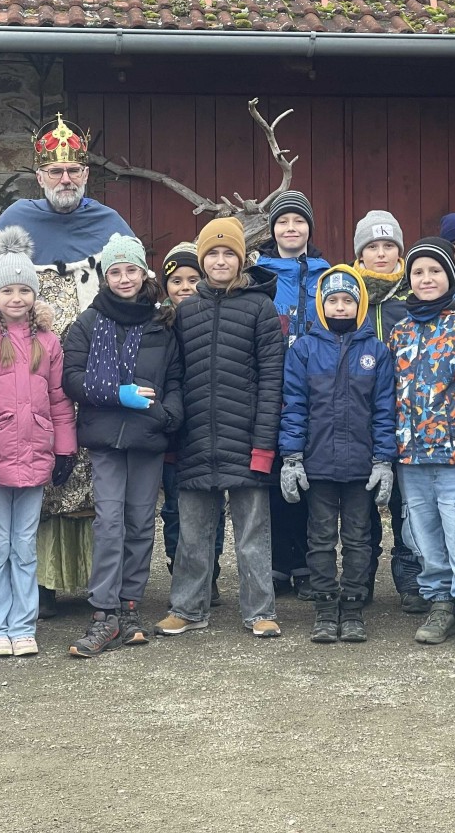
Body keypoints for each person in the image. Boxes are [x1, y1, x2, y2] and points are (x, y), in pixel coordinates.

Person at [0, 114, 134, 616]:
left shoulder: (110, 225)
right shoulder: (15, 222)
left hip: (92, 378)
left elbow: (131, 294)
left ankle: (91, 581)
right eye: (56, 171)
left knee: (87, 476)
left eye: (74, 170)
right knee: (35, 479)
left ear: (86, 174)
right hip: (25, 379)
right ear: (39, 175)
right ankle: (38, 586)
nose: (66, 178)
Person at [154, 217, 285, 639]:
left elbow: (272, 381)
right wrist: (175, 436)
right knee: (192, 533)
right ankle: (187, 608)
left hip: (247, 440)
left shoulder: (260, 308)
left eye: (230, 253)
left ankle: (260, 610)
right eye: (213, 253)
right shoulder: (185, 312)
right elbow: (174, 377)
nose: (221, 260)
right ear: (202, 259)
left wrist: (264, 445)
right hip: (195, 440)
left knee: (252, 534)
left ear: (242, 259)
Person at [0, 228, 77, 658]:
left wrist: (64, 448)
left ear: (34, 294)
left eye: (24, 290)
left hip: (35, 455)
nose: (16, 298)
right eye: (7, 290)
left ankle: (22, 625)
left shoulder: (47, 342)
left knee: (24, 547)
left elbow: (59, 398)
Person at [64, 233, 183, 658]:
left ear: (143, 273)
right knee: (109, 523)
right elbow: (72, 378)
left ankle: (130, 607)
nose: (124, 278)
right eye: (115, 271)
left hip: (148, 437)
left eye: (131, 269)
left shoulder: (161, 323)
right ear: (105, 277)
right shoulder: (88, 323)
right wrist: (117, 393)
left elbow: (175, 378)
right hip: (106, 438)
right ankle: (104, 611)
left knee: (140, 523)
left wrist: (166, 415)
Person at [390, 237, 455, 657]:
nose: (426, 278)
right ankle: (440, 603)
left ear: (450, 276)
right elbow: (390, 394)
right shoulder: (400, 331)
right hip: (410, 455)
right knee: (423, 535)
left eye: (435, 271)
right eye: (418, 272)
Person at [279, 265, 395, 644]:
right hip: (319, 466)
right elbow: (294, 407)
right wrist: (291, 458)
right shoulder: (304, 350)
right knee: (321, 539)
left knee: (360, 539)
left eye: (348, 300)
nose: (341, 307)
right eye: (333, 300)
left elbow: (384, 410)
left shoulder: (376, 352)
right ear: (321, 305)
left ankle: (354, 607)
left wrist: (384, 460)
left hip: (362, 468)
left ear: (360, 305)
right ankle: (326, 608)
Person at [256, 190, 329, 599]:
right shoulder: (258, 275)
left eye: (298, 221)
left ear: (309, 228)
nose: (290, 228)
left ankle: (305, 564)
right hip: (270, 388)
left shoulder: (326, 274)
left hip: (316, 391)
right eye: (282, 221)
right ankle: (277, 563)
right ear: (272, 229)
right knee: (272, 480)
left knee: (308, 479)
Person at [352, 210, 423, 611]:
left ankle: (411, 578)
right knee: (362, 504)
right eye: (372, 247)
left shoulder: (414, 296)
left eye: (389, 246)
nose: (381, 254)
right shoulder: (346, 297)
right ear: (360, 254)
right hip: (359, 420)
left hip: (409, 418)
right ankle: (360, 578)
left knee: (407, 505)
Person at [157, 241, 226, 601]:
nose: (185, 287)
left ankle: (210, 574)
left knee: (212, 506)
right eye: (176, 280)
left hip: (207, 427)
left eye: (192, 279)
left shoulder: (215, 316)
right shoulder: (158, 324)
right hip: (171, 431)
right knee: (175, 508)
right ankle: (180, 570)